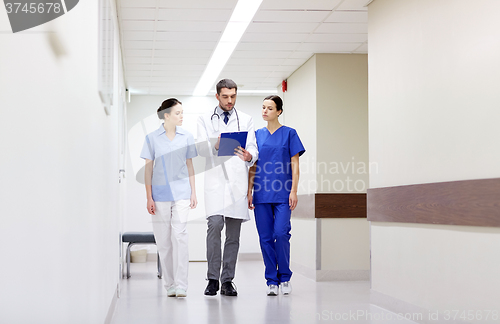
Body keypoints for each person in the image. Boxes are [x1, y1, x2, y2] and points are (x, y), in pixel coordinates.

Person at [197, 79, 258, 296]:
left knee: (233, 235)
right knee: (214, 227)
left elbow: (252, 147)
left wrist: (251, 155)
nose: (230, 100)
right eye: (225, 96)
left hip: (237, 182)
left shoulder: (247, 119)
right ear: (217, 96)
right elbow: (201, 149)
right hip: (215, 183)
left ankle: (227, 281)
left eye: (233, 96)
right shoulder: (204, 119)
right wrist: (215, 143)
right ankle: (212, 278)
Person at [247, 95, 305, 296]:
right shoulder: (256, 135)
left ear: (279, 111)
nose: (265, 111)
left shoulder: (289, 134)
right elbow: (252, 165)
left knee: (281, 234)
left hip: (282, 193)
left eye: (269, 108)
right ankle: (271, 279)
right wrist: (249, 191)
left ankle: (285, 277)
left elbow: (295, 165)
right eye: (263, 107)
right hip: (261, 193)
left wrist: (294, 190)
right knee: (265, 238)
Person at [141, 98, 198, 298]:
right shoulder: (152, 138)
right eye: (177, 113)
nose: (181, 116)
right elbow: (148, 170)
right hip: (160, 194)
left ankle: (182, 284)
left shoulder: (187, 136)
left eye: (182, 113)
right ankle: (170, 284)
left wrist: (193, 192)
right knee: (164, 241)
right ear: (166, 115)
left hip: (182, 193)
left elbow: (190, 165)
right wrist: (149, 197)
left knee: (180, 236)